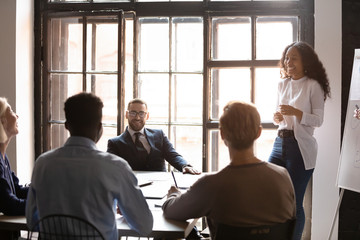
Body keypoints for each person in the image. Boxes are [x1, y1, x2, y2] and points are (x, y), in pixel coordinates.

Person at [26, 93, 153, 240]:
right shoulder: (115, 167)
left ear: (66, 126)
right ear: (100, 128)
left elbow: (32, 222)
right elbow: (145, 226)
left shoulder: (43, 163)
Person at [162, 101, 296, 239]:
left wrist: (173, 194)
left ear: (222, 134)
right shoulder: (283, 176)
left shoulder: (211, 184)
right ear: (258, 133)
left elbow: (170, 211)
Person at [268, 41, 331, 240]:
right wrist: (277, 118)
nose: (289, 61)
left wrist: (296, 112)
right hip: (279, 143)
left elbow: (318, 120)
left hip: (300, 148)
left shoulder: (313, 85)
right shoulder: (282, 84)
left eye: (294, 57)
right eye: (287, 57)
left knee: (294, 203)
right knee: (271, 192)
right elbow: (277, 116)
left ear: (306, 62)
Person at [107, 98, 200, 174]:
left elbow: (173, 155)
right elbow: (110, 170)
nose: (137, 117)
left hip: (161, 187)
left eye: (141, 113)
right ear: (127, 114)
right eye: (133, 113)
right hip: (132, 188)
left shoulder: (159, 135)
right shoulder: (114, 143)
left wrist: (185, 165)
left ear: (147, 116)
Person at [0, 97, 29, 239]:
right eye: (11, 111)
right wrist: (43, 203)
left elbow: (17, 191)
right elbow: (9, 204)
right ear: (2, 122)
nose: (17, 115)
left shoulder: (3, 157)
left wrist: (44, 190)